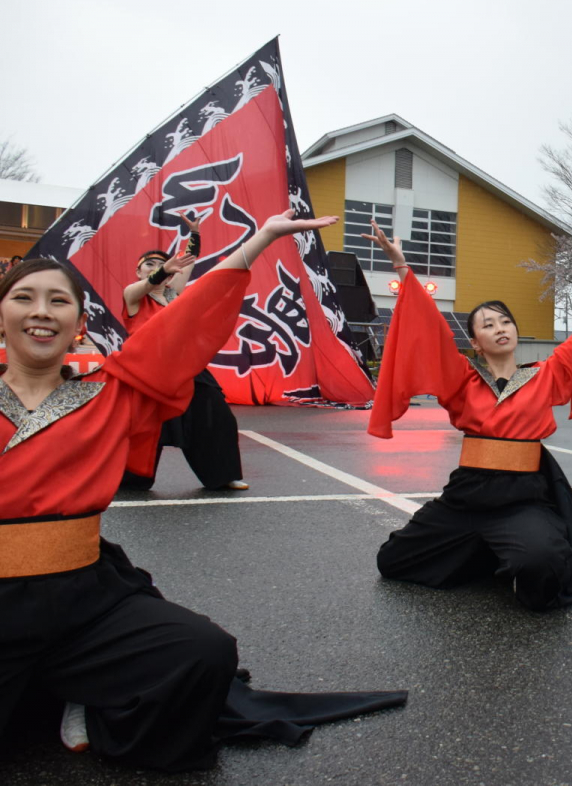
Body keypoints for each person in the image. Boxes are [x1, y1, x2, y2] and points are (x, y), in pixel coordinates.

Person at [0, 212, 406, 773]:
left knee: (203, 653)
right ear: (2, 317)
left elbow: (184, 323)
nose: (41, 311)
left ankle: (89, 701)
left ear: (78, 326)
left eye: (58, 302)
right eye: (24, 298)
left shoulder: (109, 392)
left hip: (83, 598)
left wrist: (259, 240)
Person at [366, 220, 572, 611]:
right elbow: (428, 326)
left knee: (543, 570)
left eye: (506, 321)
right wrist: (402, 267)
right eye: (488, 324)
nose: (500, 328)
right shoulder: (462, 377)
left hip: (522, 497)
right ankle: (487, 552)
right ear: (475, 343)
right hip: (467, 495)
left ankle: (507, 550)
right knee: (393, 561)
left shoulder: (545, 374)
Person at [120, 213, 248, 491]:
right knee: (143, 429)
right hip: (146, 374)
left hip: (185, 369)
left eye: (160, 263)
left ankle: (223, 475)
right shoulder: (133, 295)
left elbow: (187, 262)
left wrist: (196, 235)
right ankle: (131, 478)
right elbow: (151, 282)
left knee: (216, 416)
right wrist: (165, 268)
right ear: (139, 271)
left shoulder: (173, 294)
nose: (155, 268)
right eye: (148, 265)